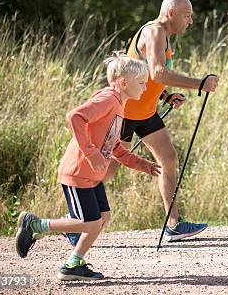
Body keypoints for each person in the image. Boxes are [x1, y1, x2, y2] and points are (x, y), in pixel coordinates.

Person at [15, 52, 161, 281]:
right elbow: (75, 116)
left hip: (92, 176)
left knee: (102, 217)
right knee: (91, 223)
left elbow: (114, 148)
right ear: (124, 82)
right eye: (141, 83)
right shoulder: (108, 100)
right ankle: (35, 224)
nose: (144, 88)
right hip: (79, 172)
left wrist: (142, 164)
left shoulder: (119, 106)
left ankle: (73, 263)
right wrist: (91, 154)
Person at [103, 0, 219, 242]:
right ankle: (74, 219)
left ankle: (173, 224)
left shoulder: (162, 35)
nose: (190, 21)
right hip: (125, 114)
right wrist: (199, 83)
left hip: (146, 113)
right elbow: (157, 71)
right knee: (108, 169)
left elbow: (144, 73)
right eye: (187, 15)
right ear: (171, 13)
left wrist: (165, 96)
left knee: (168, 158)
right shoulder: (155, 31)